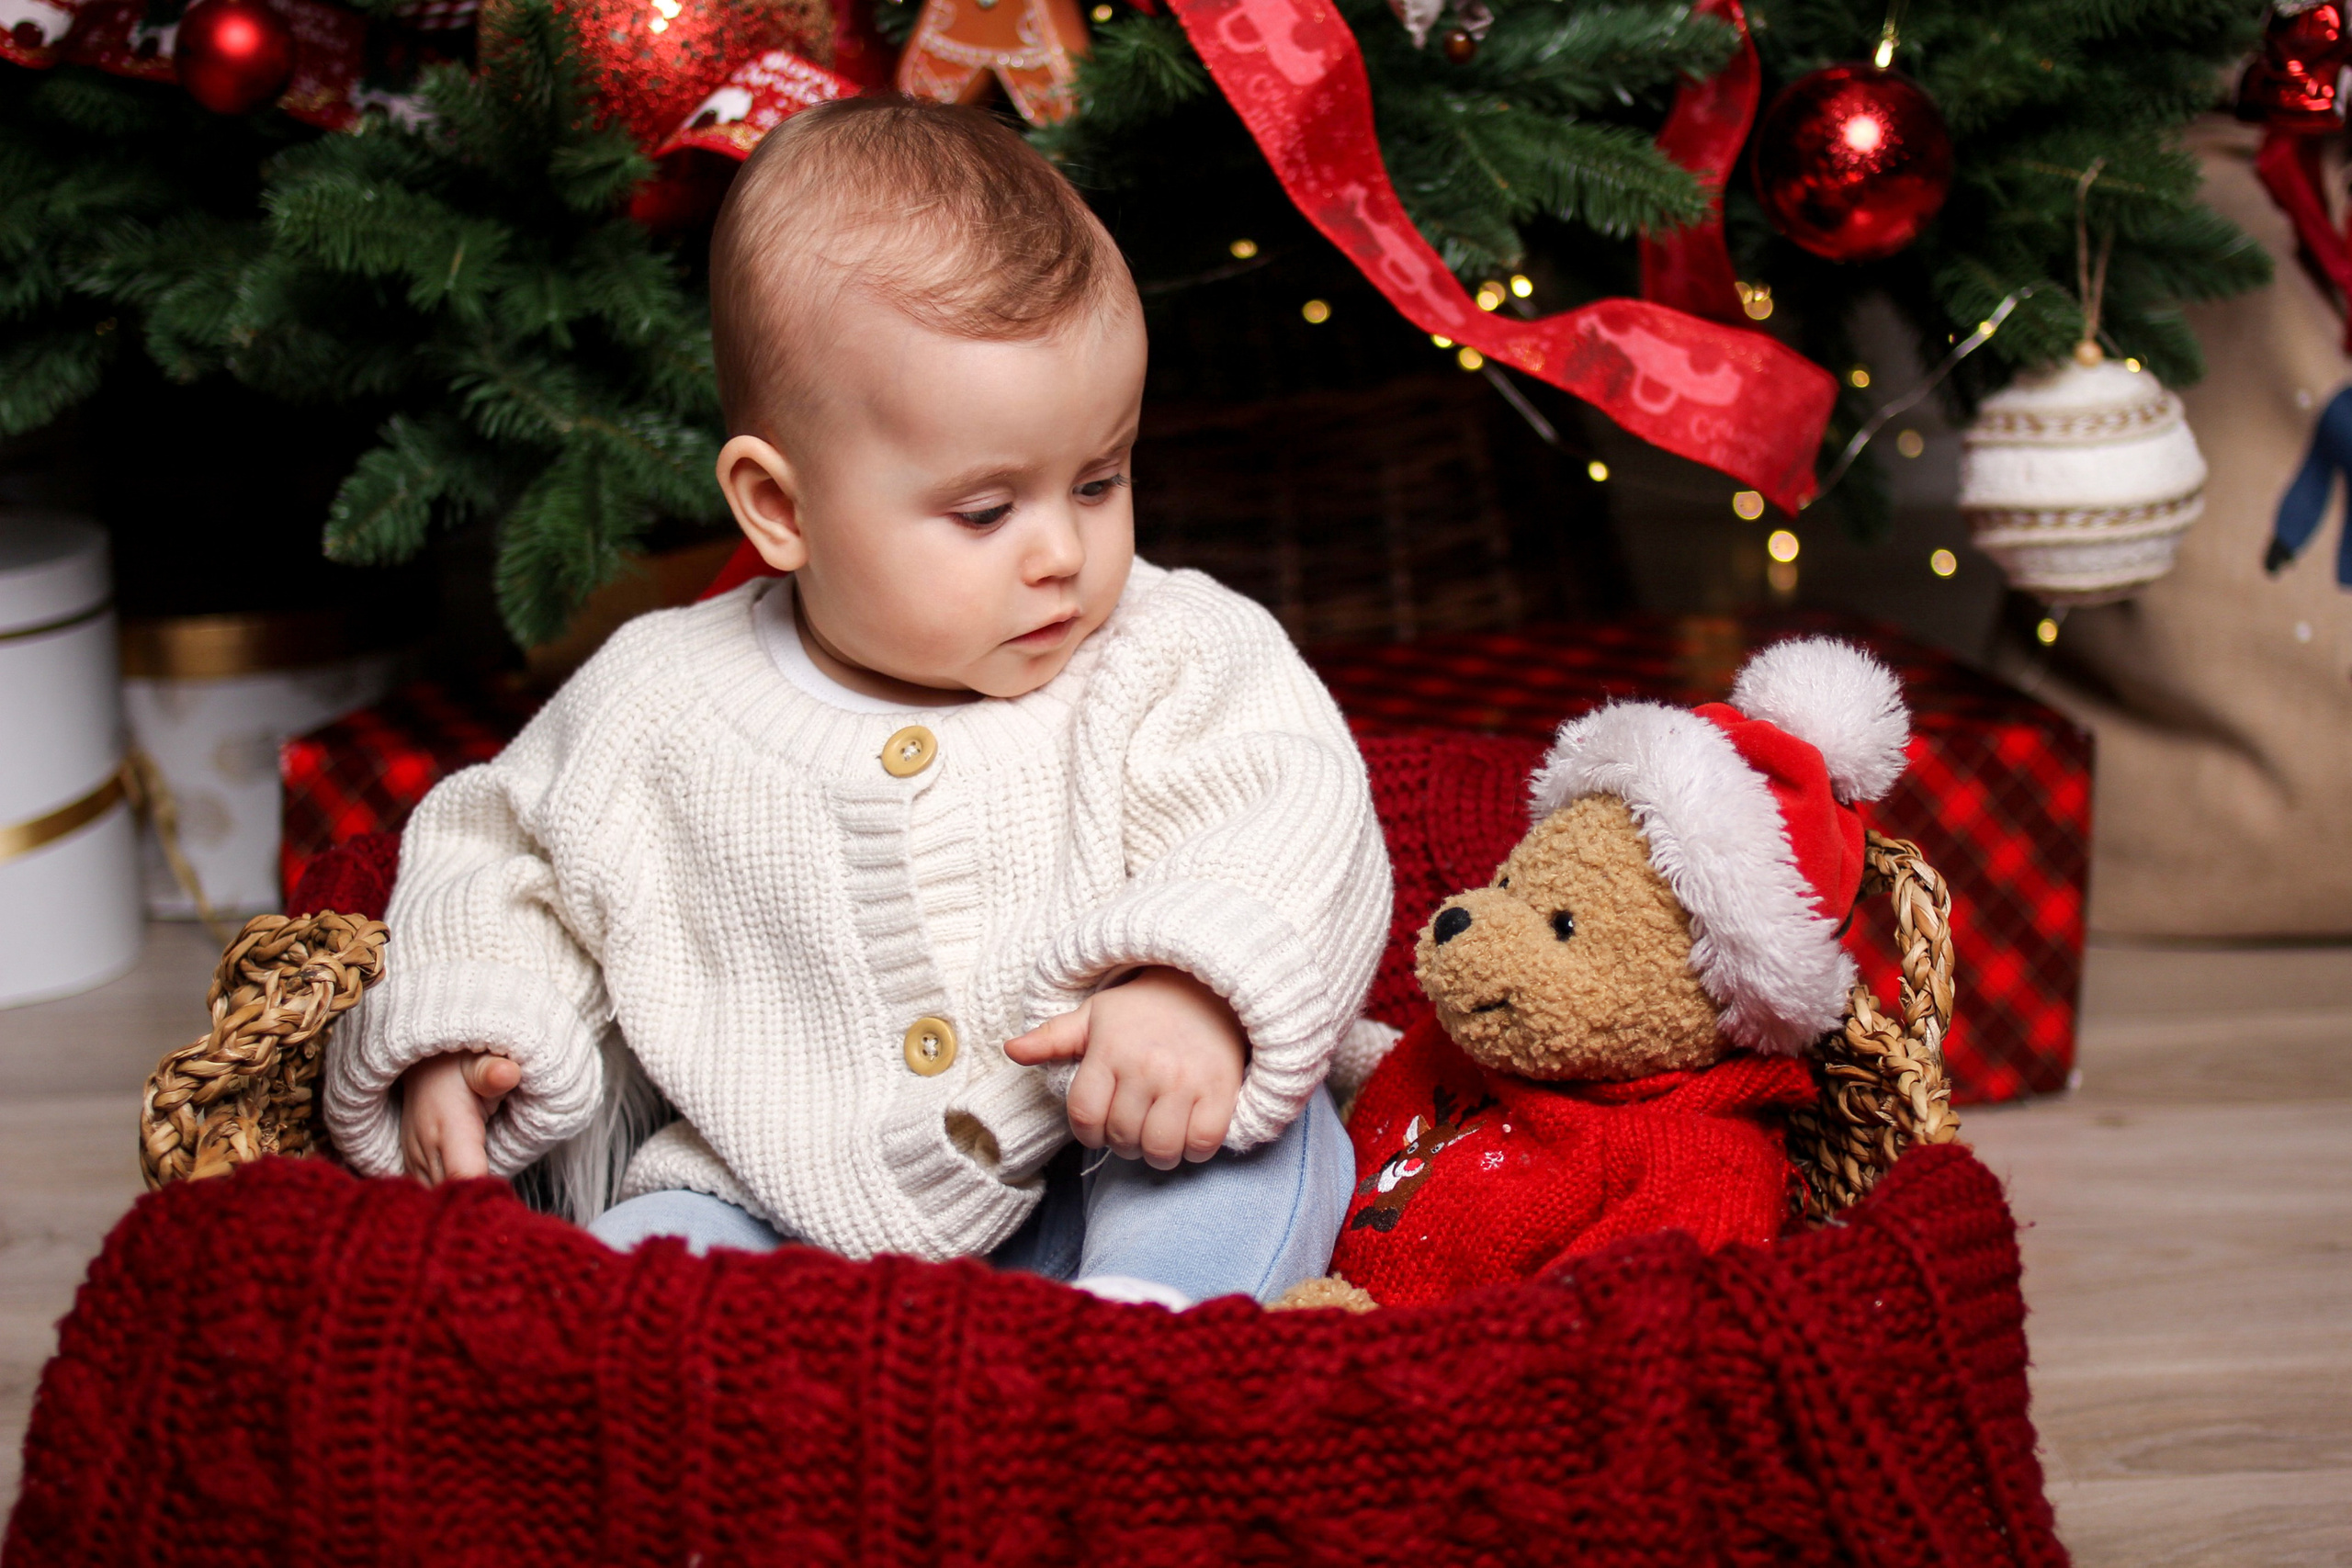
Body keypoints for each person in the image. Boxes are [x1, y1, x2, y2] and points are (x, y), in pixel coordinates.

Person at [321, 98, 1391, 1308]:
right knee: (643, 1261)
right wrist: (475, 1029)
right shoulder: (658, 701)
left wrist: (1192, 993)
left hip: (1097, 1153)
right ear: (780, 508)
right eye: (986, 511)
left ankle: (1131, 1347)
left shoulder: (1176, 651)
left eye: (1099, 479)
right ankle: (675, 1397)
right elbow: (502, 856)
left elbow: (1292, 812)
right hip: (771, 1188)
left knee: (1252, 1144)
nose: (1061, 553)